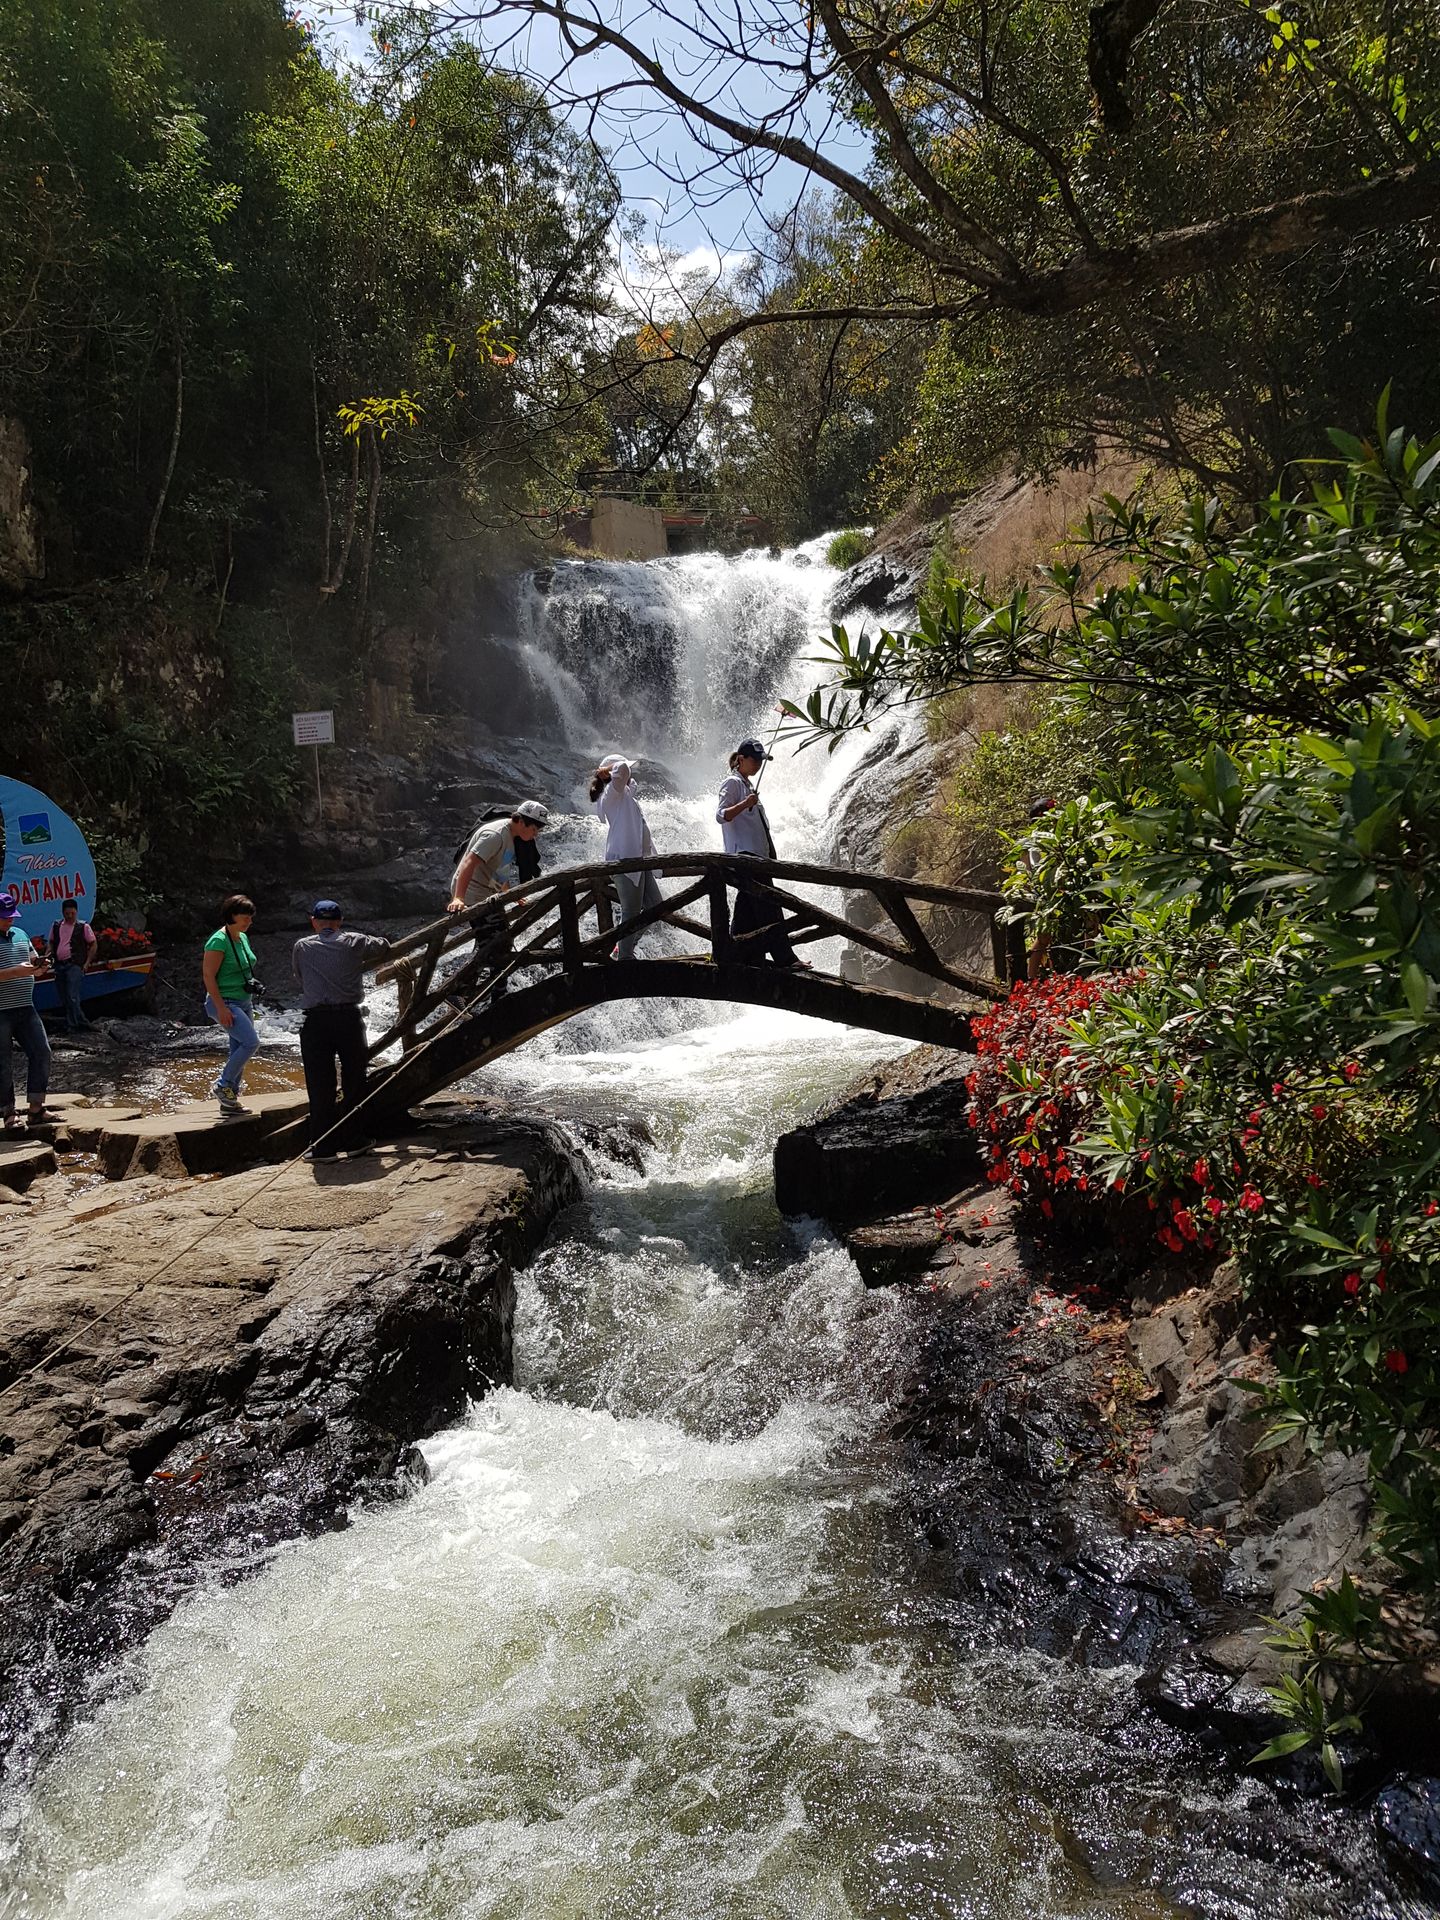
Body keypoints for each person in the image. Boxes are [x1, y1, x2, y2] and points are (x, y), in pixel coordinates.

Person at [291, 900, 389, 1161]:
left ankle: (323, 1146)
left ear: (314, 922)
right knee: (354, 1080)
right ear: (340, 921)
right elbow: (384, 946)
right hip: (348, 1018)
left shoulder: (302, 946)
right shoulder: (354, 941)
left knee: (320, 1083)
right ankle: (354, 1139)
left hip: (315, 1021)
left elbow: (300, 977)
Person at [715, 738, 807, 969]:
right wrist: (746, 802)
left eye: (760, 761)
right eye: (754, 760)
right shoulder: (732, 783)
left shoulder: (745, 785)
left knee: (747, 908)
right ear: (741, 759)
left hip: (756, 857)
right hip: (746, 856)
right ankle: (786, 959)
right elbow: (720, 815)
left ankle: (736, 953)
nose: (758, 765)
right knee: (770, 905)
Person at [446, 801, 549, 998]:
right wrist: (458, 897)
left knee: (503, 942)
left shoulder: (512, 835)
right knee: (493, 945)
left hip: (487, 894)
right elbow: (468, 863)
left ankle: (497, 994)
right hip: (473, 895)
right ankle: (458, 992)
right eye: (535, 829)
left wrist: (509, 894)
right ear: (522, 822)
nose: (536, 835)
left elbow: (496, 870)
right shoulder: (495, 835)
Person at [591, 754, 661, 960]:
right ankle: (625, 955)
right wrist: (604, 770)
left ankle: (622, 948)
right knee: (631, 911)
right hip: (625, 862)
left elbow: (629, 777)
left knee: (656, 907)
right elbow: (622, 769)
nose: (631, 775)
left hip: (639, 860)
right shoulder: (611, 795)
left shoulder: (626, 794)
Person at [202, 893, 261, 1117]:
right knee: (251, 1043)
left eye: (250, 917)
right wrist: (221, 1008)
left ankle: (230, 1100)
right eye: (245, 917)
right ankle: (223, 1084)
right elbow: (208, 976)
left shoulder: (241, 937)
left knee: (238, 1049)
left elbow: (244, 967)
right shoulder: (218, 940)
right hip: (224, 1002)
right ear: (232, 915)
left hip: (244, 1001)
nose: (249, 921)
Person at [0, 889, 52, 1132]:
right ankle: (9, 1114)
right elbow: (17, 970)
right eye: (5, 916)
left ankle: (36, 1109)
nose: (10, 919)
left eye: (11, 915)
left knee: (42, 1051)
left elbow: (32, 960)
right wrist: (16, 972)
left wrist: (38, 967)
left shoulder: (21, 934)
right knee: (3, 1062)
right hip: (1, 1010)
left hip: (25, 1006)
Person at [47, 899, 97, 1032]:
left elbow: (93, 944)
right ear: (63, 912)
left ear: (76, 912)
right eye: (67, 913)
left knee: (72, 995)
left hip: (75, 963)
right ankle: (80, 1021)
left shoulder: (83, 926)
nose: (69, 916)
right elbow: (51, 942)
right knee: (64, 996)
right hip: (59, 964)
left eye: (72, 913)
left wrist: (87, 963)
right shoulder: (57, 926)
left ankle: (73, 1024)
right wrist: (47, 956)